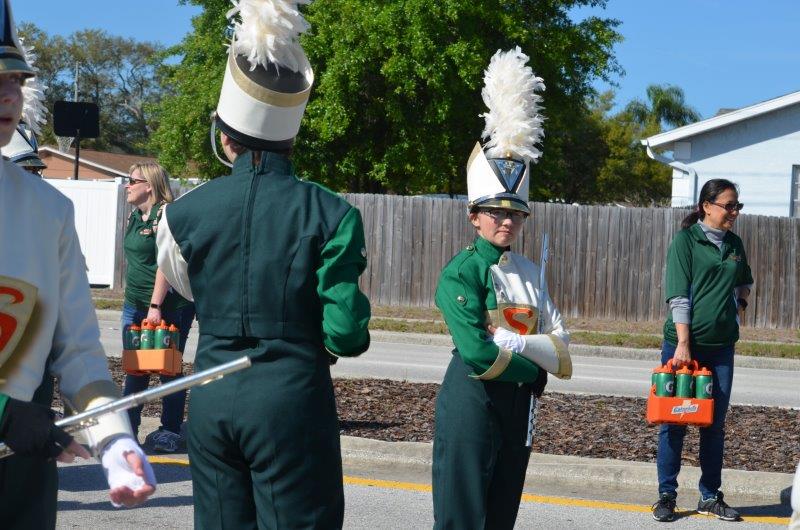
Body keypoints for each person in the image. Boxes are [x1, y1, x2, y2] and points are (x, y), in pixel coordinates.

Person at [156, 2, 370, 527]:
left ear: (224, 136)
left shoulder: (180, 213)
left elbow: (186, 284)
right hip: (291, 399)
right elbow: (345, 333)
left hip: (210, 397)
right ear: (290, 139)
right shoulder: (332, 213)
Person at [0, 2, 155, 527]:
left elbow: (79, 350)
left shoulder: (49, 210)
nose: (10, 95)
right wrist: (3, 415)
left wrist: (114, 441)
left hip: (20, 475)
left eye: (17, 80)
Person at [432, 47, 572, 530]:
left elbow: (562, 348)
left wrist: (533, 355)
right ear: (474, 216)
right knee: (462, 517)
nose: (506, 221)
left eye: (515, 213)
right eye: (495, 212)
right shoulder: (460, 272)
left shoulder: (532, 271)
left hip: (519, 407)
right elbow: (476, 351)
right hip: (473, 401)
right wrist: (531, 367)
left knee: (501, 515)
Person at [651, 178, 752, 523]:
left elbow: (744, 280)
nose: (734, 212)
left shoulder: (735, 243)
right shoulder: (686, 241)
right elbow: (678, 295)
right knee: (674, 422)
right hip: (683, 346)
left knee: (714, 424)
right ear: (706, 206)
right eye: (729, 205)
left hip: (721, 348)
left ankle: (710, 496)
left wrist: (738, 305)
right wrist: (682, 344)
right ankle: (666, 495)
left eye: (738, 206)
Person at [121, 162, 195, 452]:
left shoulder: (166, 216)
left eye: (132, 181)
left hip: (166, 306)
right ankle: (128, 432)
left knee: (168, 369)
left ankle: (170, 430)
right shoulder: (135, 216)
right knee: (135, 370)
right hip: (134, 304)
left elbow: (165, 263)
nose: (127, 185)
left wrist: (155, 305)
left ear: (149, 186)